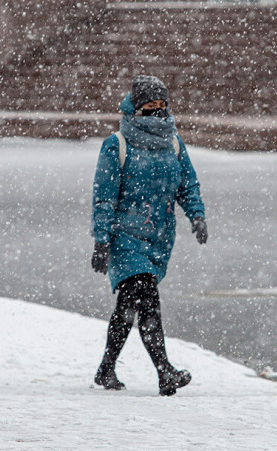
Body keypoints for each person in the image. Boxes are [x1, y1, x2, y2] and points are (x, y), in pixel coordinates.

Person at [91, 75, 207, 395]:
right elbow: (104, 196)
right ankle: (164, 371)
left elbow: (188, 184)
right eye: (149, 105)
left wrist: (197, 215)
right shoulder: (117, 145)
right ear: (136, 106)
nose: (156, 111)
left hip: (159, 237)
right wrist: (101, 240)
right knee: (147, 300)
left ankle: (105, 369)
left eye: (161, 105)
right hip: (125, 237)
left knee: (128, 305)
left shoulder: (173, 142)